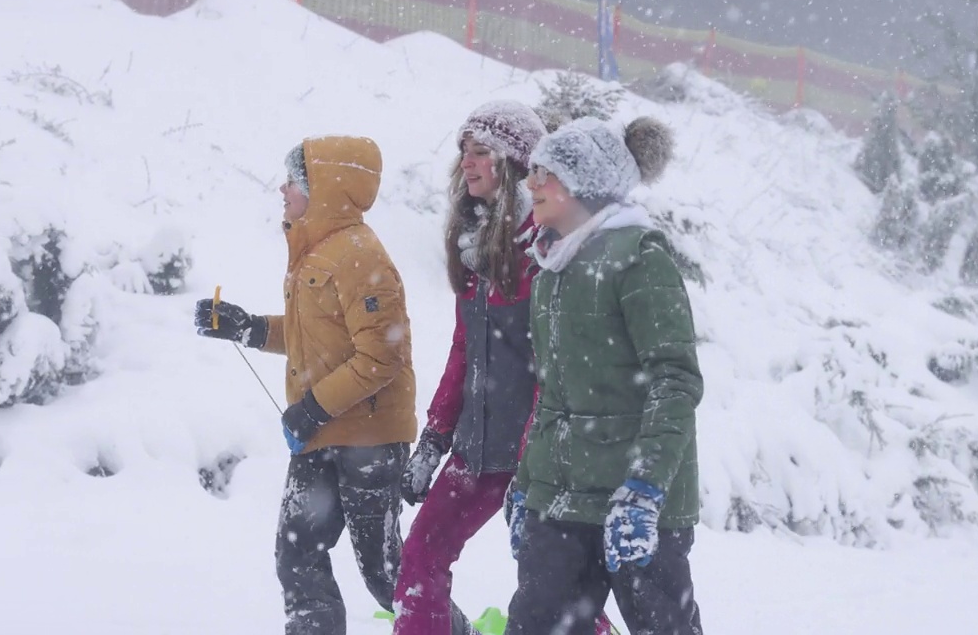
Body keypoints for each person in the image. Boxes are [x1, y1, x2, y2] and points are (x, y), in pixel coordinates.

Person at [390, 102, 615, 635]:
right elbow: (463, 352)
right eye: (463, 152)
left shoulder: (546, 251)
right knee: (419, 563)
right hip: (476, 449)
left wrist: (532, 468)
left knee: (556, 597)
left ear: (512, 164)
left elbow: (555, 367)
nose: (467, 163)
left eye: (481, 153)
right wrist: (435, 438)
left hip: (535, 458)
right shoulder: (476, 249)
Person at [194, 136, 417, 635]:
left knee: (386, 577)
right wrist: (247, 327)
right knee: (296, 557)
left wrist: (313, 407)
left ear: (327, 187)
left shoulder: (360, 256)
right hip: (320, 433)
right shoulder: (314, 252)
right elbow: (312, 342)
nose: (283, 187)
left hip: (370, 439)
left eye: (294, 179)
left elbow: (382, 356)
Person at [504, 116, 705, 635]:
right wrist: (528, 485)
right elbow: (553, 396)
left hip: (634, 500)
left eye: (545, 174)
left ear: (585, 182)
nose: (531, 185)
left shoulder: (639, 257)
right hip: (564, 497)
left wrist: (646, 487)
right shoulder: (552, 267)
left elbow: (674, 380)